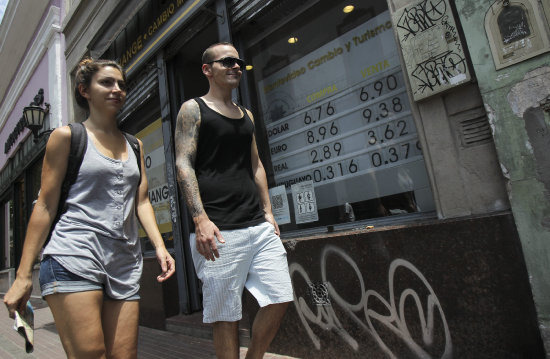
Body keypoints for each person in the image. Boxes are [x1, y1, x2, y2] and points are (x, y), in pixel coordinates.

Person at [3, 58, 175, 359]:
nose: (117, 89)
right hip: (74, 255)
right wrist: (22, 275)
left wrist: (160, 246)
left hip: (124, 261)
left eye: (121, 84)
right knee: (91, 353)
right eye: (106, 82)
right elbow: (44, 204)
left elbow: (142, 200)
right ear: (85, 90)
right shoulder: (67, 137)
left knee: (124, 355)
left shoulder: (134, 145)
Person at [174, 42, 294, 359]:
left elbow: (255, 164)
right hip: (218, 230)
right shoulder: (192, 109)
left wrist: (269, 212)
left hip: (257, 224)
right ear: (207, 69)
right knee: (226, 315)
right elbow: (183, 163)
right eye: (226, 61)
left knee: (280, 295)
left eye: (238, 61)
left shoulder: (247, 115)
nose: (235, 66)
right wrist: (200, 219)